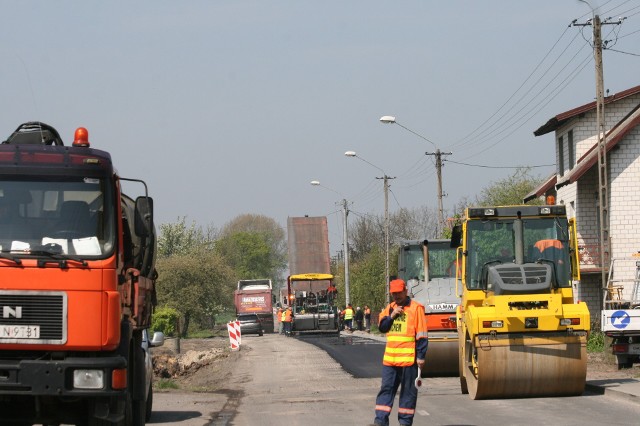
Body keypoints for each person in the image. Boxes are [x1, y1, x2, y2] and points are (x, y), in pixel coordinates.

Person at [373, 279, 428, 426]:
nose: (396, 296)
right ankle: (380, 421)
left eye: (399, 293)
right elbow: (382, 327)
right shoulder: (389, 308)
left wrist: (421, 357)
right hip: (390, 360)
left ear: (405, 291)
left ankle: (405, 422)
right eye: (394, 293)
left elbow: (422, 335)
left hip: (409, 360)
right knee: (386, 390)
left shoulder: (416, 309)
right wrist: (391, 316)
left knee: (408, 393)